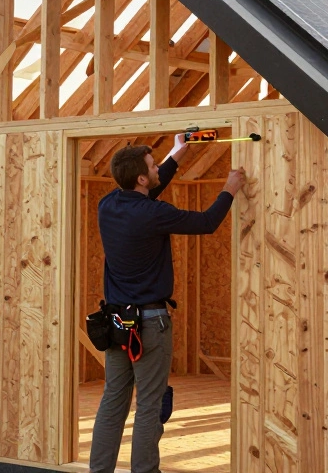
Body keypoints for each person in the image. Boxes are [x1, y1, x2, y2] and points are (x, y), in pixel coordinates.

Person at [88, 133, 245, 473]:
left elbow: (143, 197)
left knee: (113, 402)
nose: (158, 167)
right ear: (142, 178)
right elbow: (206, 223)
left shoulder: (108, 205)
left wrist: (177, 154)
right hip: (149, 324)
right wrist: (230, 188)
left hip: (117, 324)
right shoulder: (153, 213)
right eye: (153, 165)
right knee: (149, 404)